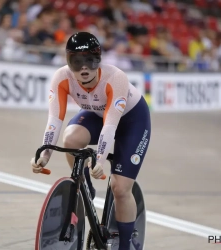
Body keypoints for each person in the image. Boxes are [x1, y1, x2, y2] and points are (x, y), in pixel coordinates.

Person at [30, 32, 151, 250]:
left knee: (120, 188)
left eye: (90, 61)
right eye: (77, 62)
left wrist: (100, 160)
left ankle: (125, 245)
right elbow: (54, 120)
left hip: (131, 121)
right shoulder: (61, 77)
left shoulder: (115, 78)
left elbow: (111, 126)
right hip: (97, 116)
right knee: (70, 138)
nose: (84, 69)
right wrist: (44, 154)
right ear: (68, 62)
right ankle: (86, 187)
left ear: (99, 60)